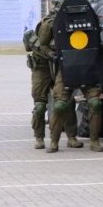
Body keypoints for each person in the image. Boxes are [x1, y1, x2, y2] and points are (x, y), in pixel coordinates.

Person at [27, 9, 80, 151]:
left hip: (60, 64)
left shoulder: (70, 22)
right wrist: (49, 53)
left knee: (66, 101)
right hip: (42, 66)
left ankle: (71, 137)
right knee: (39, 105)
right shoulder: (48, 24)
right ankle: (39, 137)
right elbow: (41, 45)